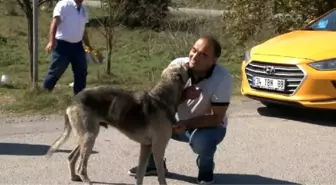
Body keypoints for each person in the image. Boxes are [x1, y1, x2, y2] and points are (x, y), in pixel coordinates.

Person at [127, 35, 233, 185]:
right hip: (177, 122)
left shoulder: (222, 79)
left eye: (203, 54)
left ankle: (205, 171)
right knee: (151, 122)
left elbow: (216, 117)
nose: (195, 56)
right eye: (194, 50)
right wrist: (183, 95)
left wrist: (187, 124)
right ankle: (152, 165)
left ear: (214, 60)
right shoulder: (177, 67)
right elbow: (158, 102)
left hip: (209, 127)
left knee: (203, 142)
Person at [42, 0, 93, 95]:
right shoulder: (64, 4)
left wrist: (88, 45)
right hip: (62, 46)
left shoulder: (83, 9)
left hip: (78, 46)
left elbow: (83, 29)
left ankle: (79, 98)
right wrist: (51, 41)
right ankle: (43, 94)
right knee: (56, 71)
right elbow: (54, 24)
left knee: (81, 72)